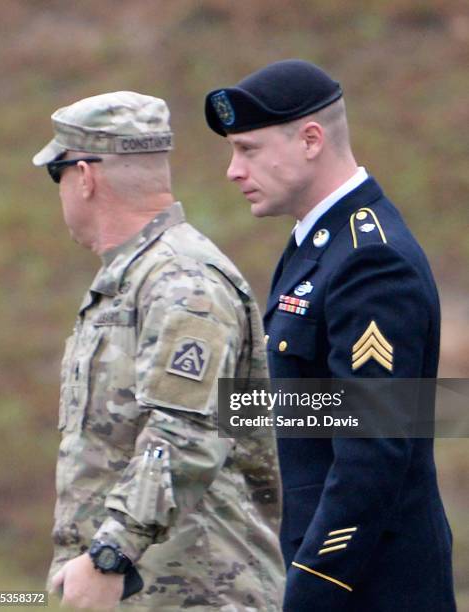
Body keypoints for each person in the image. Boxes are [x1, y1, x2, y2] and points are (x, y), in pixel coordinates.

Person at [205, 60, 456, 611]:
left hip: (363, 587)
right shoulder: (319, 244)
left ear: (311, 140)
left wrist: (312, 587)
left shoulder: (370, 259)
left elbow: (373, 450)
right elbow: (320, 408)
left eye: (247, 149)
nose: (232, 169)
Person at [32, 91, 284, 611]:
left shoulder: (181, 281)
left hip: (198, 591)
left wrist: (111, 554)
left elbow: (184, 432)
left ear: (85, 176)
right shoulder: (132, 279)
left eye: (55, 175)